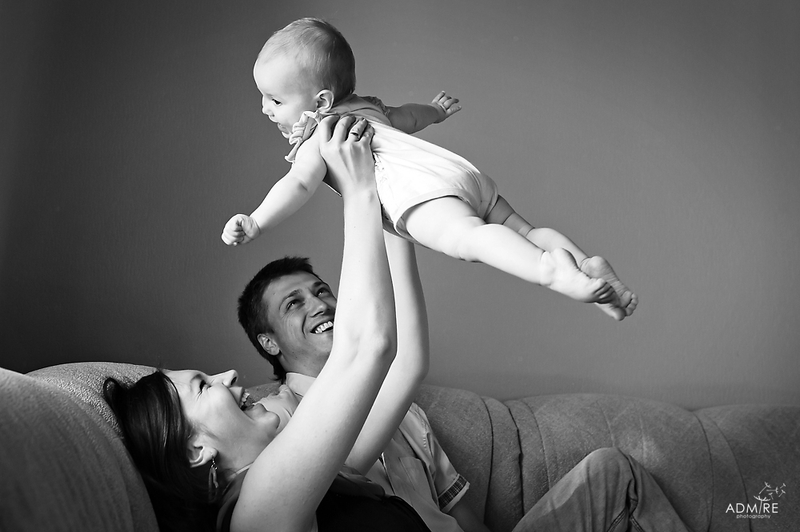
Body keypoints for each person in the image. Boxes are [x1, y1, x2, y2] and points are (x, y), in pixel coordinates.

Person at [221, 17, 637, 321]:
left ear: (322, 102)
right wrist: (437, 111)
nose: (265, 109)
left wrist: (257, 221)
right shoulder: (367, 108)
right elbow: (410, 116)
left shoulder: (322, 132)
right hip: (456, 171)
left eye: (275, 100)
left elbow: (297, 183)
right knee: (525, 232)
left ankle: (552, 271)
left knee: (469, 238)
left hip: (419, 192)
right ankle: (585, 265)